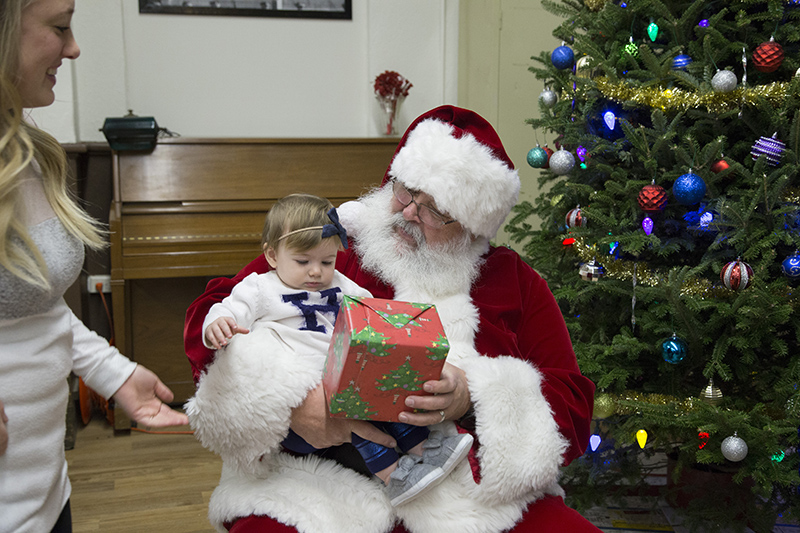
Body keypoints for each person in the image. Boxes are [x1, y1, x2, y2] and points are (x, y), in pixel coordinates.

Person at [184, 105, 600, 532]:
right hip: (314, 482)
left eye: (435, 210)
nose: (407, 213)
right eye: (405, 190)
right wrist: (291, 402)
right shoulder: (333, 246)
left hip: (462, 494)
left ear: (476, 226)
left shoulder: (516, 282)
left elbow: (571, 403)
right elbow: (213, 313)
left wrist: (471, 396)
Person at [0, 1, 190, 531]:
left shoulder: (28, 150)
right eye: (59, 27)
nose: (74, 47)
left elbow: (33, 312)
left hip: (46, 491)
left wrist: (115, 373)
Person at [194, 193, 473, 507]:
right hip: (304, 397)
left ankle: (426, 451)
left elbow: (373, 311)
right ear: (272, 256)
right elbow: (227, 308)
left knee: (386, 401)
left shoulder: (340, 284)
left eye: (326, 261)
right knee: (361, 427)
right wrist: (217, 325)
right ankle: (394, 476)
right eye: (303, 262)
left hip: (343, 377)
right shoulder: (260, 287)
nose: (316, 272)